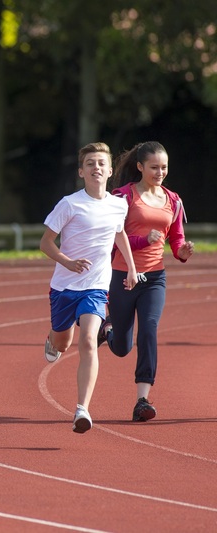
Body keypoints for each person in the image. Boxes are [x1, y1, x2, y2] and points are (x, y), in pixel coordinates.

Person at [40, 142, 138, 434]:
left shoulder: (119, 204)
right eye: (91, 163)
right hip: (64, 286)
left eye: (101, 163)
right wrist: (67, 262)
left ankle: (82, 409)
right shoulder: (69, 204)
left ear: (110, 170)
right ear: (81, 171)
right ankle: (52, 338)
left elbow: (119, 234)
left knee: (87, 341)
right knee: (63, 343)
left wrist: (132, 268)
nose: (97, 167)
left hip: (95, 286)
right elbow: (46, 243)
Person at [98, 141, 194, 422]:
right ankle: (109, 330)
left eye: (164, 167)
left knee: (149, 330)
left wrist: (182, 252)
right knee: (122, 348)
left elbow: (175, 238)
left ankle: (142, 399)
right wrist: (143, 239)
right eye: (154, 167)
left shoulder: (173, 200)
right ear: (140, 167)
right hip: (123, 276)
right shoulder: (122, 197)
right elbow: (112, 238)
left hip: (154, 278)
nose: (160, 172)